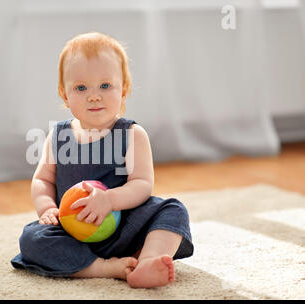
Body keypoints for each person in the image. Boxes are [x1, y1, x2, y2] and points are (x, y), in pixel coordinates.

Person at [11, 32, 193, 288]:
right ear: (65, 95)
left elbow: (142, 184)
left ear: (124, 89)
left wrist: (110, 200)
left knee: (173, 209)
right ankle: (100, 268)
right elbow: (42, 179)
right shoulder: (59, 135)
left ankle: (147, 261)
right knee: (31, 238)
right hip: (72, 231)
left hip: (124, 228)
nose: (94, 96)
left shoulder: (131, 135)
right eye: (81, 88)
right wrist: (46, 208)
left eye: (105, 86)